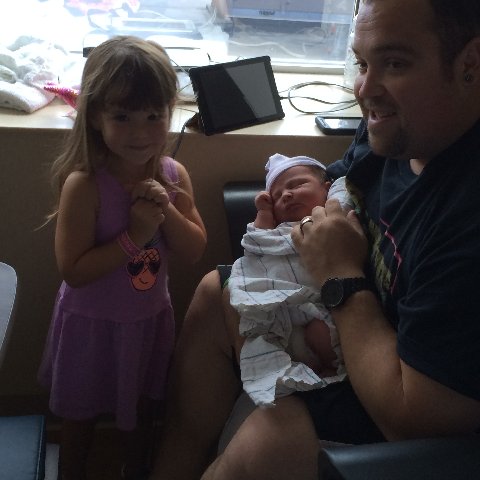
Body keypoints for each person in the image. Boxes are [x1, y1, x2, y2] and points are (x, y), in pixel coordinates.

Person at [151, 0, 480, 479]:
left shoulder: (465, 212)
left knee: (266, 444)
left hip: (394, 389)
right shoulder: (396, 132)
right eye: (362, 63)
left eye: (394, 63)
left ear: (470, 63)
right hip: (339, 328)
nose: (364, 89)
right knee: (213, 293)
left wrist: (340, 276)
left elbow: (414, 418)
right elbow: (328, 198)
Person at [37, 36, 207, 480]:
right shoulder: (85, 185)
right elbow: (73, 271)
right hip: (90, 326)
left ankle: (136, 470)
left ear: (170, 111)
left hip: (148, 321)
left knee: (142, 413)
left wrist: (166, 209)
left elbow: (194, 250)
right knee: (79, 420)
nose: (141, 133)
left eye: (154, 116)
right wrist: (135, 237)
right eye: (122, 117)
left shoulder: (174, 174)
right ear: (95, 116)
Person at [225, 153, 351, 407]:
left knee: (320, 334)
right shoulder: (278, 230)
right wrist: (264, 211)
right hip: (282, 307)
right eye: (277, 196)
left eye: (297, 185)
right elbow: (257, 240)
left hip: (322, 305)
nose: (287, 195)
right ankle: (286, 375)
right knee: (271, 338)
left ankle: (330, 371)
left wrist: (336, 189)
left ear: (326, 188)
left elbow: (344, 191)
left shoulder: (331, 214)